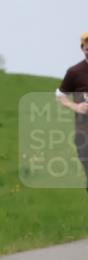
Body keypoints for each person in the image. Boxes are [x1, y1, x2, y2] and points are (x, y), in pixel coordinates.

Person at [55, 32, 88, 193]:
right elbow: (60, 96)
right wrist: (76, 107)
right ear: (83, 48)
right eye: (87, 44)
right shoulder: (74, 72)